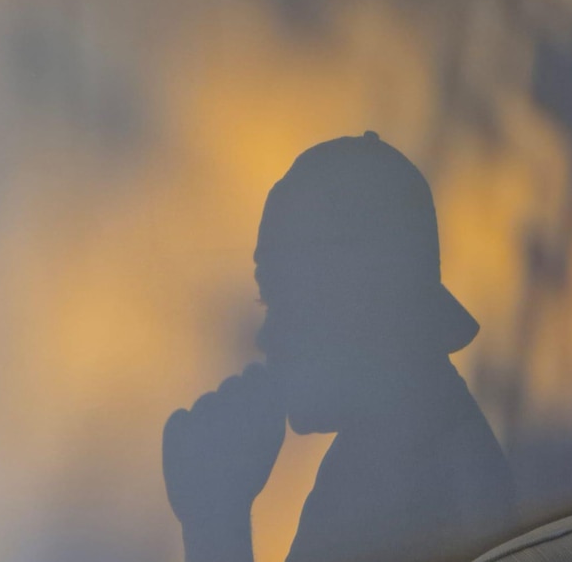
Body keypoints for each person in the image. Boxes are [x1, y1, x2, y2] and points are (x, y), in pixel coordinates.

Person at [163, 132, 517, 562]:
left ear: (359, 299)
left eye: (283, 296)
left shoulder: (416, 492)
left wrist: (215, 520)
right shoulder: (379, 464)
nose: (267, 335)